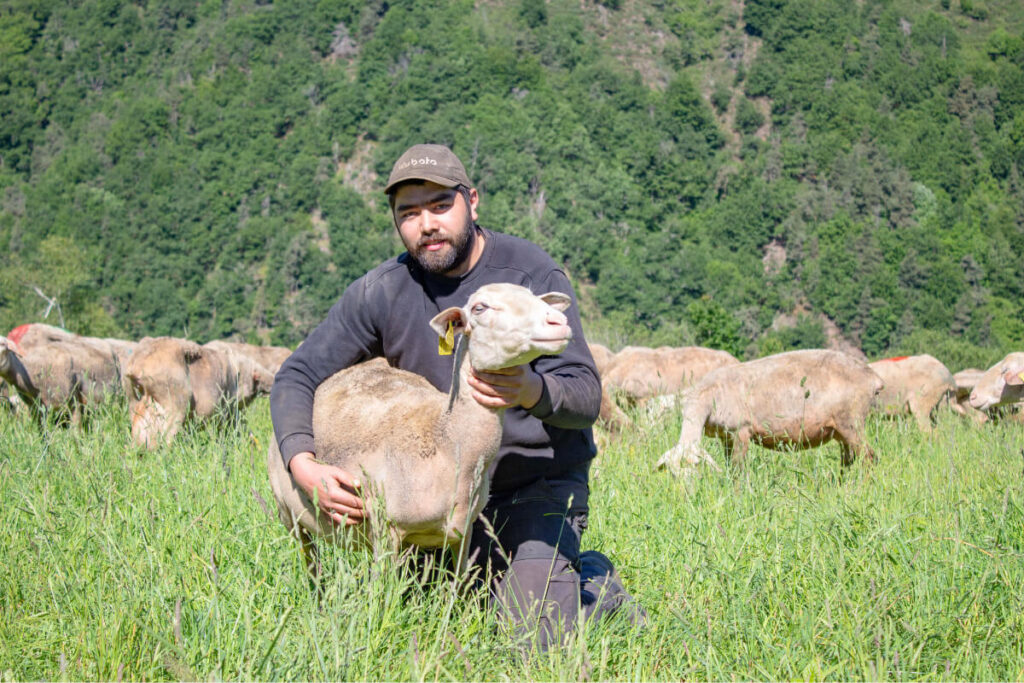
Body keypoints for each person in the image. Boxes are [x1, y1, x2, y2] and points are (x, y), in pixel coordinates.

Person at [270, 143, 642, 648]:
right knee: (424, 625)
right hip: (430, 494)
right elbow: (298, 374)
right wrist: (302, 463)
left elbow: (584, 396)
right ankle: (486, 576)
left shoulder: (529, 277)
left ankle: (593, 585)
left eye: (440, 205)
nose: (426, 224)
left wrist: (531, 389)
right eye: (409, 213)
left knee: (532, 639)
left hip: (531, 485)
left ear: (472, 201)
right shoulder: (384, 290)